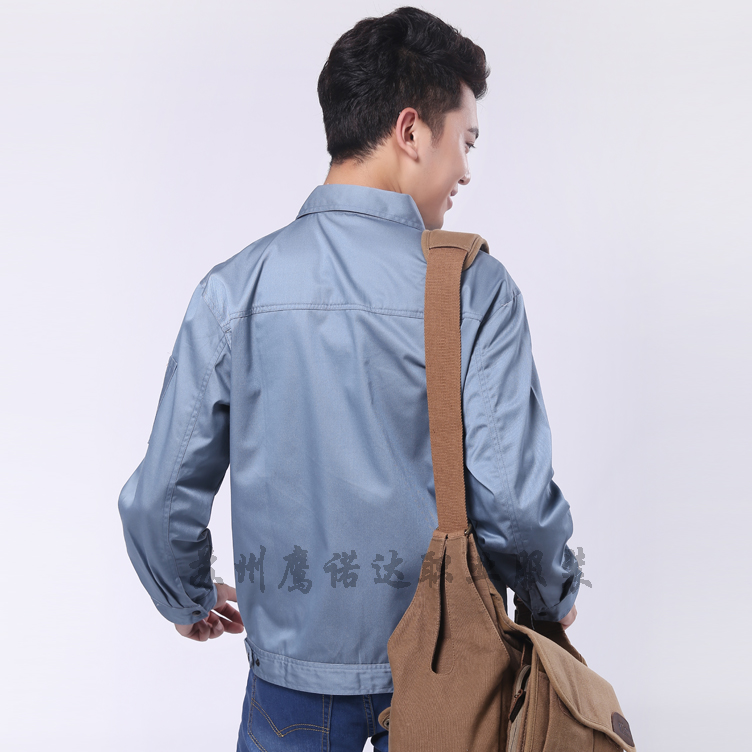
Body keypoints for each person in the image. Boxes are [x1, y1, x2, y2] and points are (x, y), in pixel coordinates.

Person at [117, 6, 580, 751]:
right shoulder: (474, 287)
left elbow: (159, 499)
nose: (466, 170)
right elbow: (516, 505)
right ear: (410, 132)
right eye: (465, 141)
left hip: (287, 685)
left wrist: (188, 596)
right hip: (449, 683)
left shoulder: (236, 289)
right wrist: (549, 595)